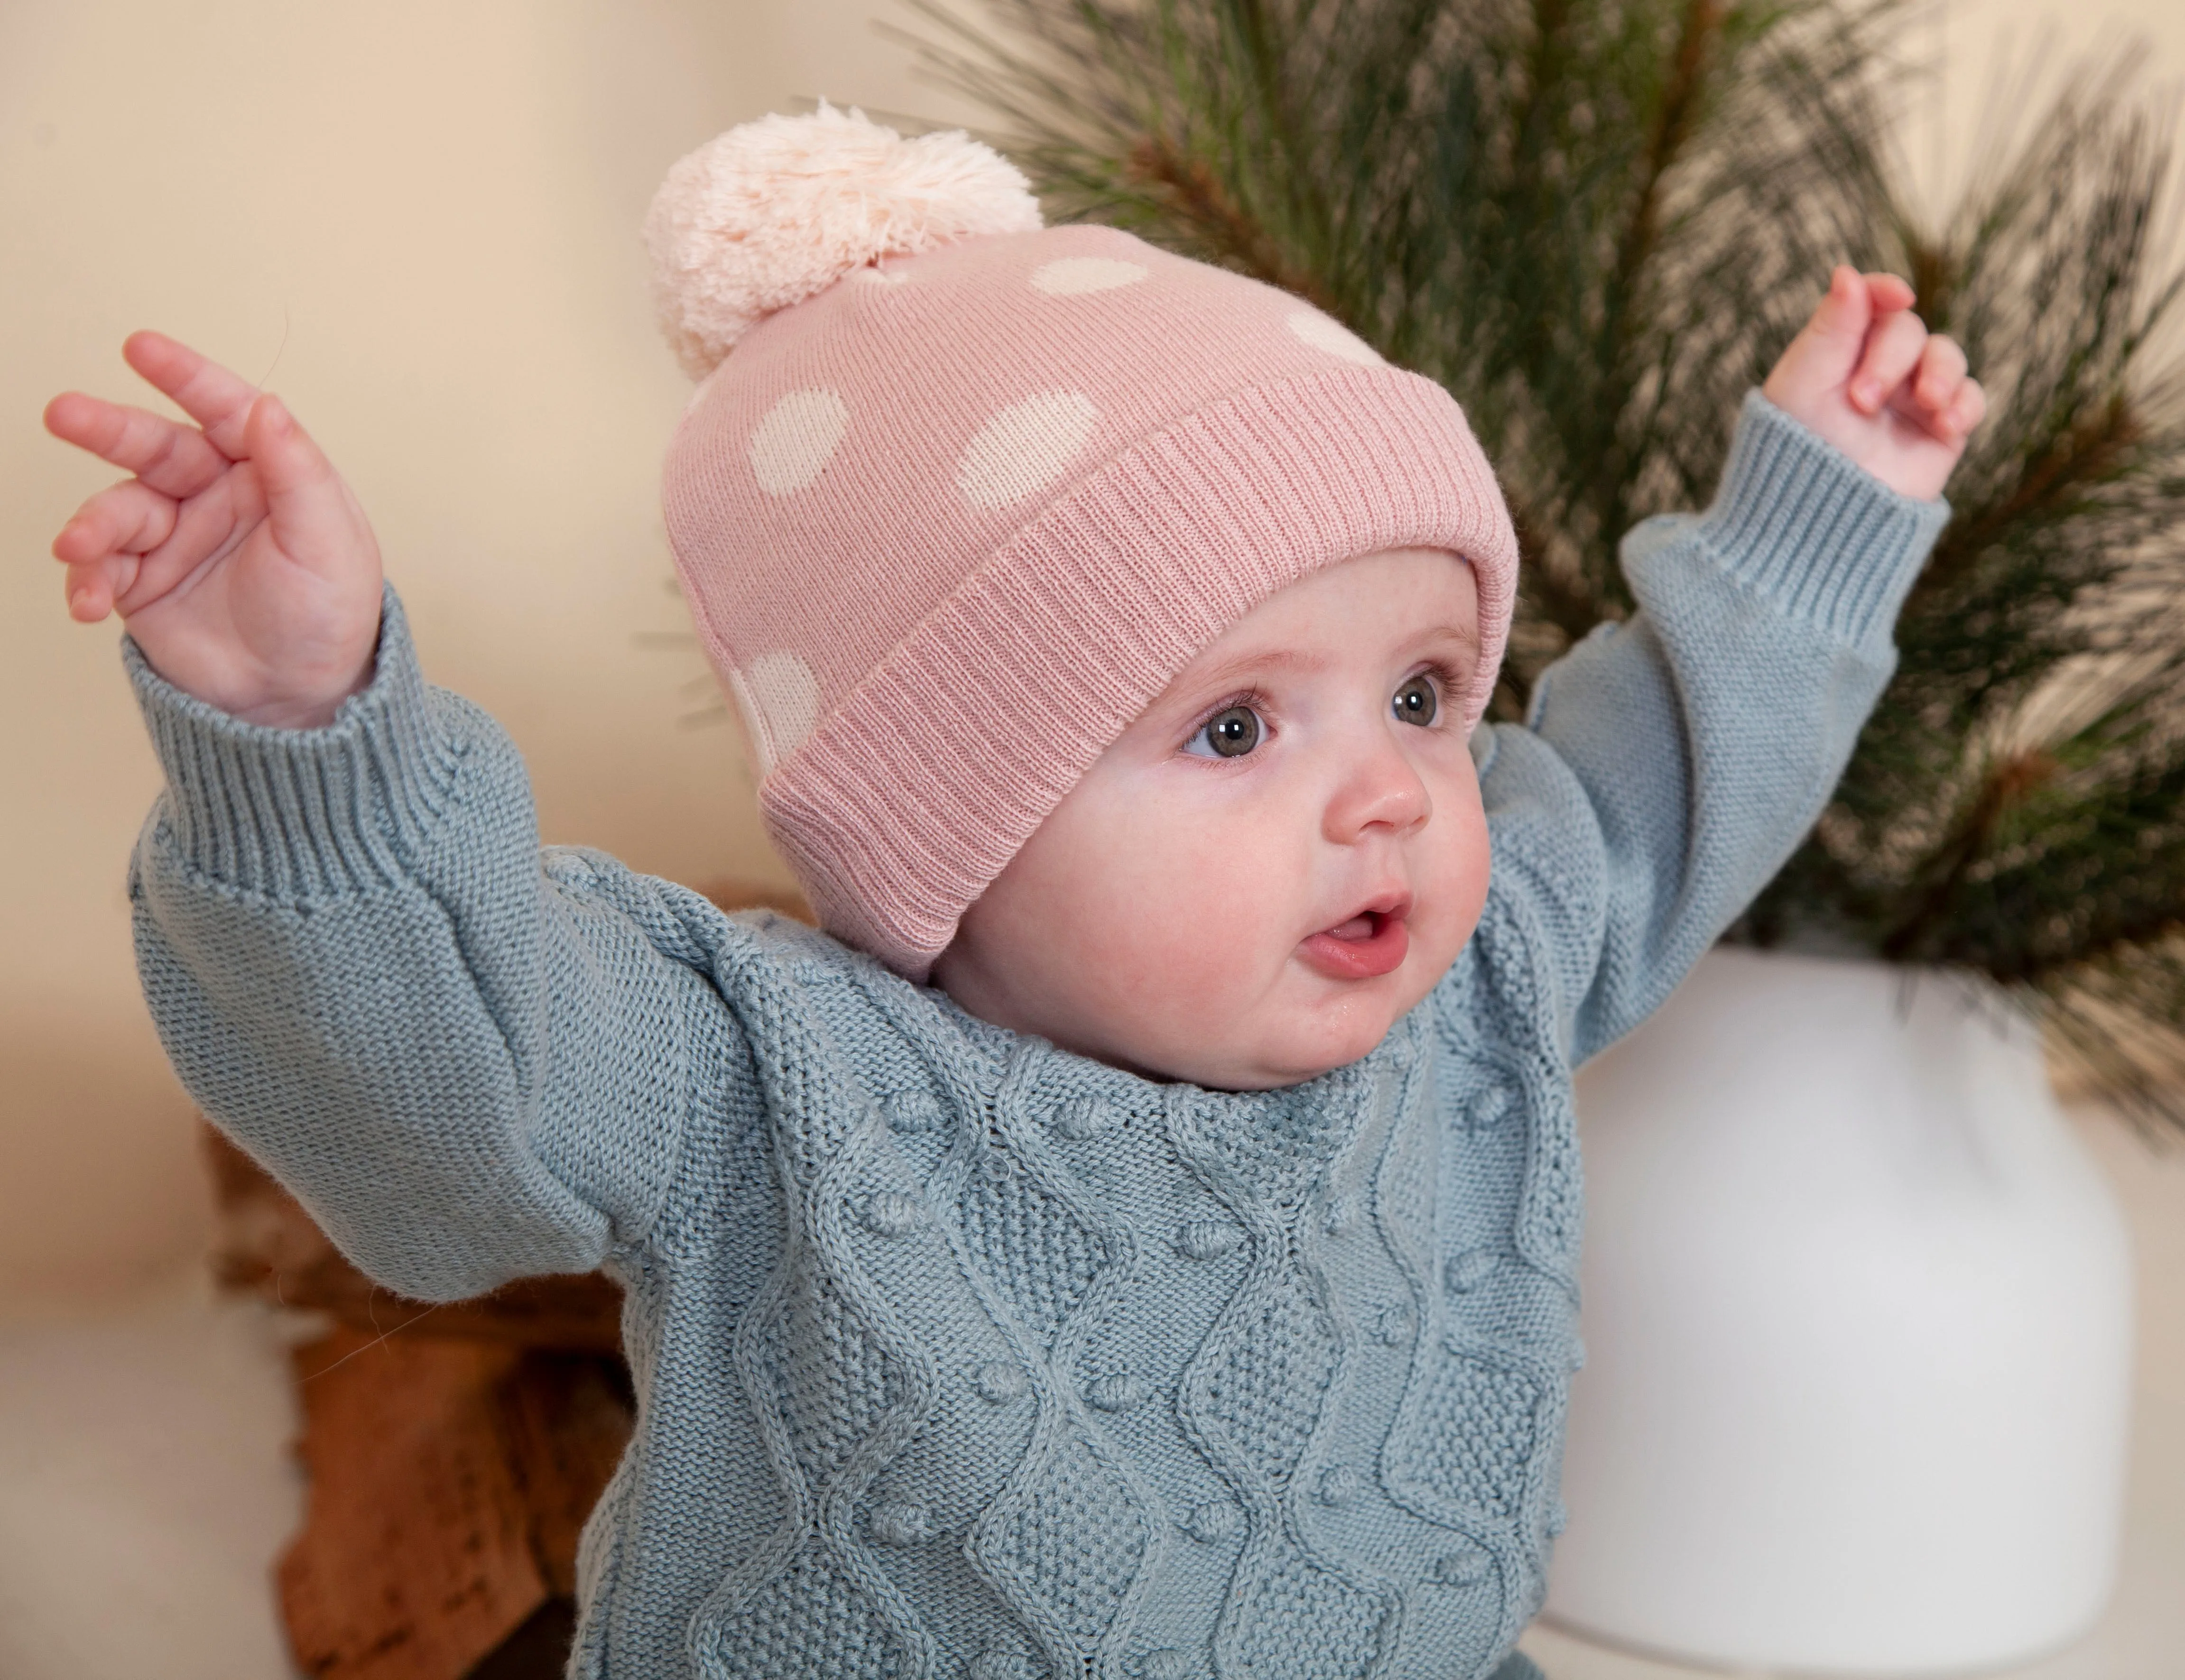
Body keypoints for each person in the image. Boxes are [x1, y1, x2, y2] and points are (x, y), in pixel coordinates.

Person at [40, 107, 1982, 1680]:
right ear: (952, 819)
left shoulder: (1465, 990)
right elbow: (440, 1091)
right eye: (1234, 730)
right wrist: (301, 737)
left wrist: (1817, 517)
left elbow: (1656, 794)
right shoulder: (761, 1077)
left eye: (1416, 693)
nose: (1389, 790)